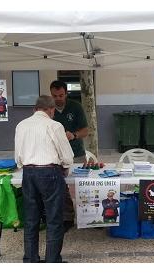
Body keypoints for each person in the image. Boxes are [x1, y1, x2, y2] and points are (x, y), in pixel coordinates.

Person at [15, 95, 74, 263]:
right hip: (50, 172)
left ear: (35, 109)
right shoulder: (54, 125)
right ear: (51, 109)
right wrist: (65, 166)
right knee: (54, 219)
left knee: (31, 219)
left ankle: (31, 260)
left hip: (28, 173)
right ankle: (52, 261)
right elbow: (67, 156)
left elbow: (18, 157)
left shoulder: (21, 125)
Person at [50, 80, 89, 231]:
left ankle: (89, 216)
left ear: (66, 93)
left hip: (77, 153)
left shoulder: (76, 107)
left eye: (61, 95)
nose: (58, 98)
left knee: (83, 184)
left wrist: (73, 135)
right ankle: (67, 218)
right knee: (62, 187)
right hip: (56, 155)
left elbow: (86, 131)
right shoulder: (49, 109)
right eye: (55, 96)